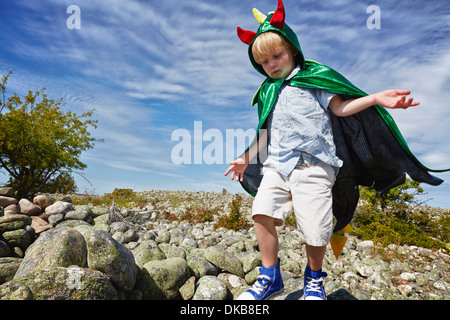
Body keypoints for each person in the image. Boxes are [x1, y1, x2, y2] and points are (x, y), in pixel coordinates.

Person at [224, 0, 421, 300]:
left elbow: (341, 108)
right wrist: (244, 159)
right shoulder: (268, 92)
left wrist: (375, 99)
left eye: (276, 56)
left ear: (292, 49)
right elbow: (264, 133)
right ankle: (270, 275)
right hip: (277, 164)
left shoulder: (315, 79)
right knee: (261, 212)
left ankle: (314, 280)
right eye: (265, 62)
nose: (272, 65)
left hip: (314, 166)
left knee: (315, 229)